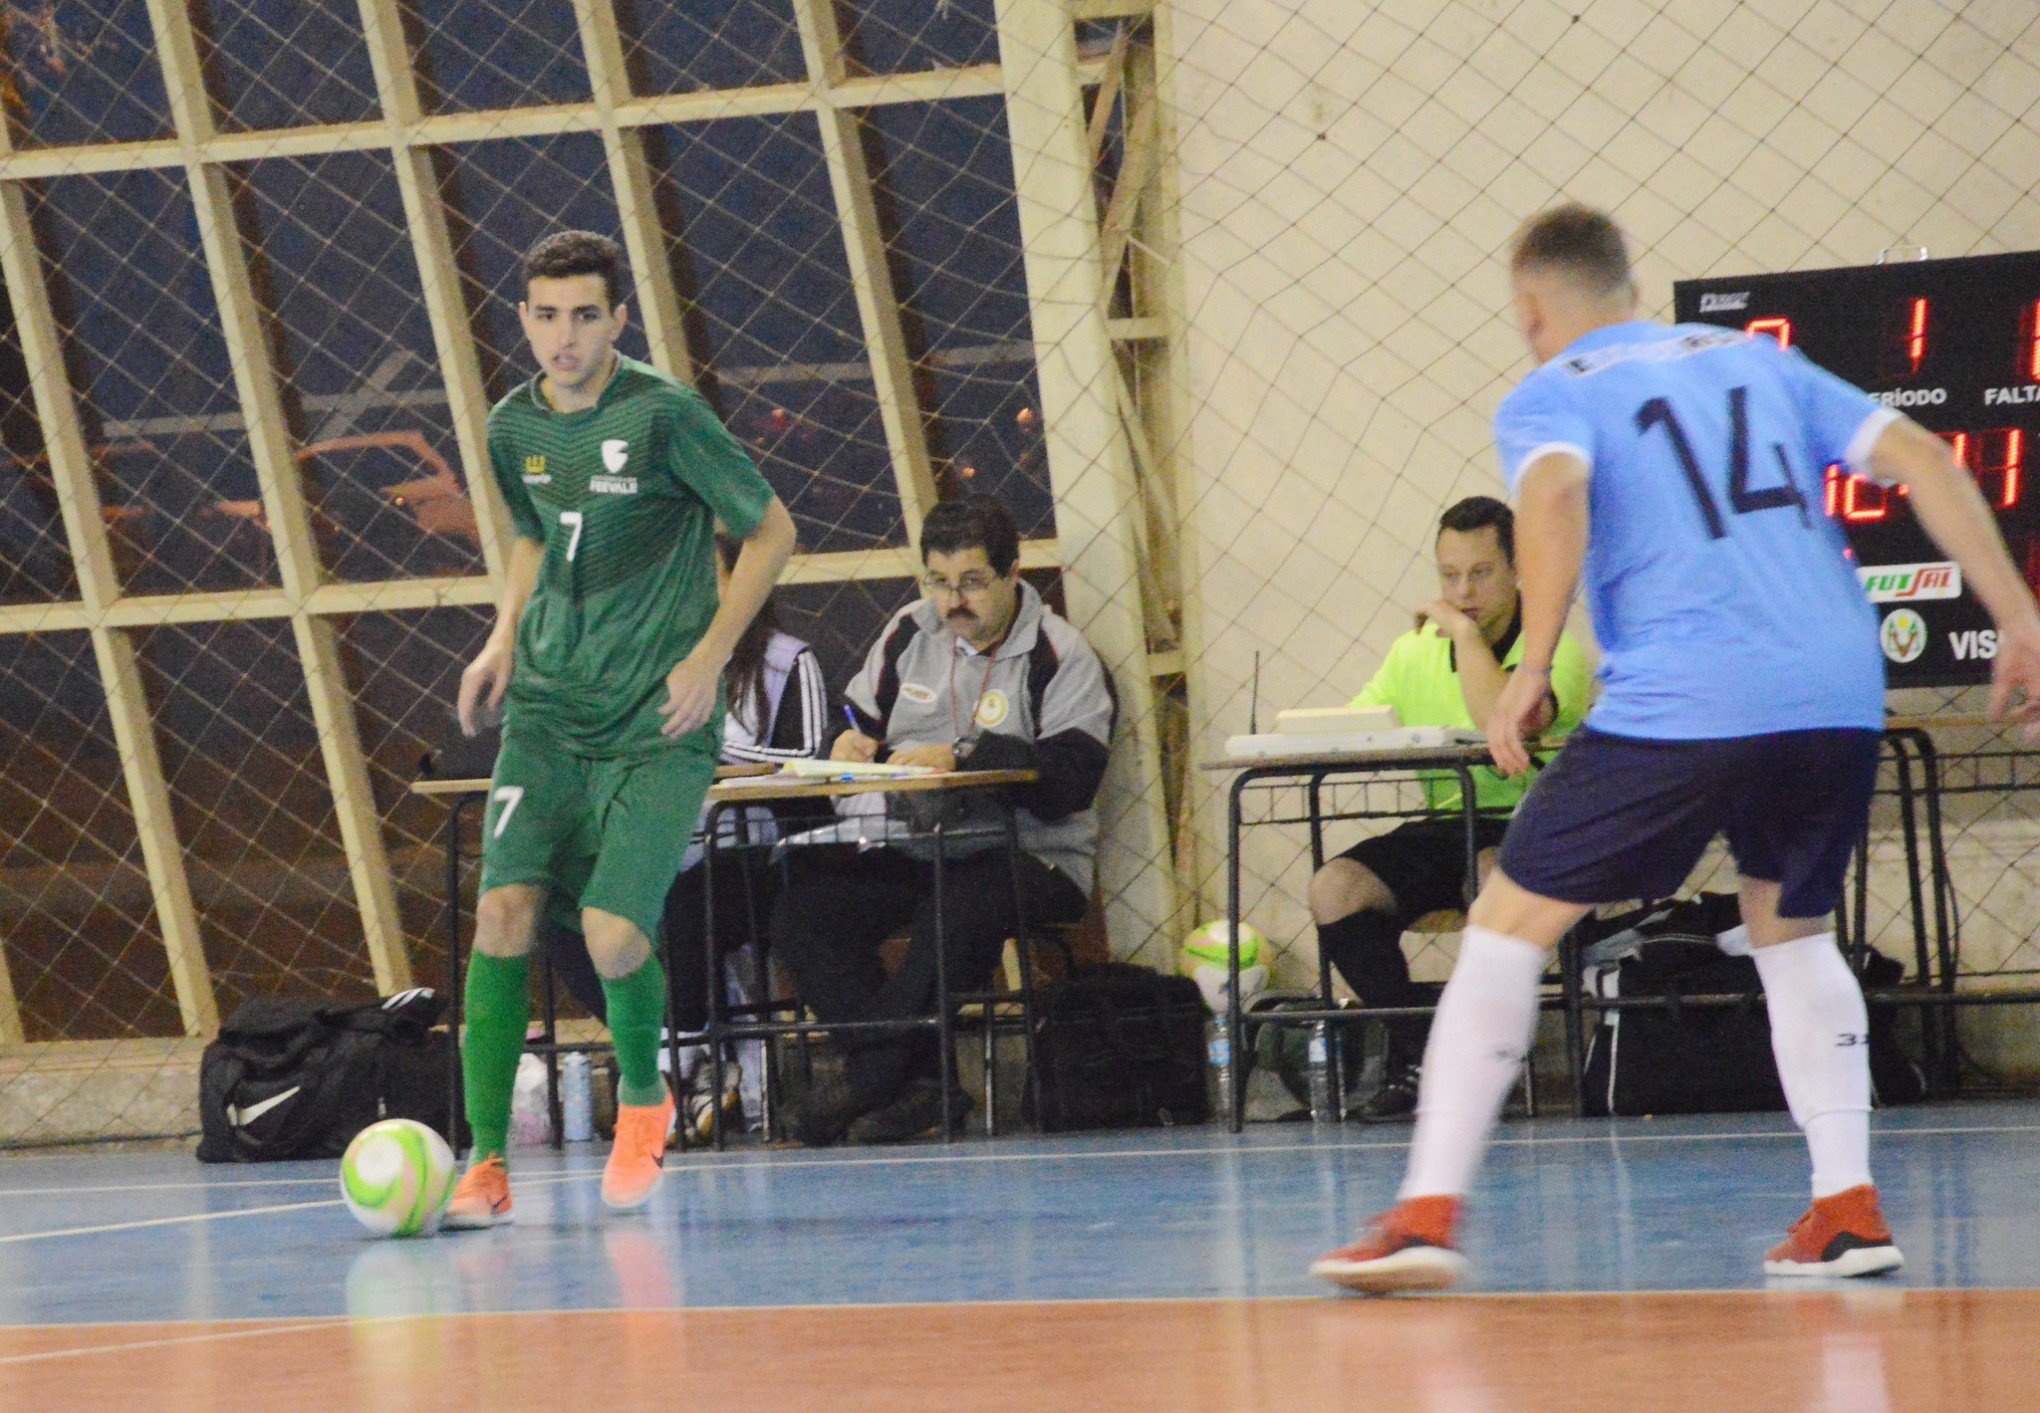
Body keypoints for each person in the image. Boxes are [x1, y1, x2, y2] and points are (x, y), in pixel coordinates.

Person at [1312, 205, 2040, 1292]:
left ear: (1531, 309)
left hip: (1690, 692)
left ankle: (1424, 1213)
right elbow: (1928, 457)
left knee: (1505, 921)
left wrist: (1530, 663)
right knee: (1791, 931)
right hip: (1837, 689)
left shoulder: (1553, 392)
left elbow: (1554, 493)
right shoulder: (1762, 361)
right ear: (1628, 286)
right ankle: (1847, 1209)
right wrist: (2018, 615)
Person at [446, 231, 795, 1226]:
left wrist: (711, 654)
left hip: (655, 722)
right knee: (503, 912)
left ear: (618, 320)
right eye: (546, 315)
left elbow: (773, 530)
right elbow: (527, 534)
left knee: (608, 931)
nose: (565, 337)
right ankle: (485, 1165)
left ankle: (645, 1094)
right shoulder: (512, 425)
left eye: (585, 316)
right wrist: (504, 634)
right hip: (548, 713)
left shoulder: (664, 416)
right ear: (524, 318)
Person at [771, 492, 1113, 1145]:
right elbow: (857, 722)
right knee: (807, 907)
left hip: (1032, 854)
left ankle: (870, 1079)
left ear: (1015, 575)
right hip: (914, 843)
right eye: (938, 582)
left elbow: (1073, 778)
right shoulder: (908, 632)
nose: (953, 599)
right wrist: (844, 745)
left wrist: (963, 756)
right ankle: (921, 1088)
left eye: (973, 582)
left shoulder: (1060, 654)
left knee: (961, 903)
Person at [1309, 496, 1591, 1119]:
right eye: (1448, 576)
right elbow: (1359, 724)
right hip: (1441, 825)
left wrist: (1464, 637)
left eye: (1480, 573)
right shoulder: (1410, 653)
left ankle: (1488, 1061)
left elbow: (1507, 722)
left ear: (1518, 571)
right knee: (1336, 888)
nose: (1462, 592)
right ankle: (1424, 1056)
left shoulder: (1555, 651)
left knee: (1494, 877)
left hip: (1525, 825)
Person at [539, 535, 829, 1142]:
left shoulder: (785, 660)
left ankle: (669, 1065)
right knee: (563, 909)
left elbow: (808, 764)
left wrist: (709, 745)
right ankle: (686, 1049)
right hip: (654, 845)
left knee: (687, 903)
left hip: (747, 851)